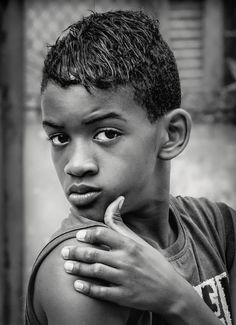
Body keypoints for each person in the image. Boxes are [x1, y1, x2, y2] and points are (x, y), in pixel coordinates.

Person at [25, 10, 236, 325]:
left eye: (106, 134)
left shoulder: (218, 227)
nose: (76, 165)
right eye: (59, 138)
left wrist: (178, 299)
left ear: (171, 134)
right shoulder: (84, 270)